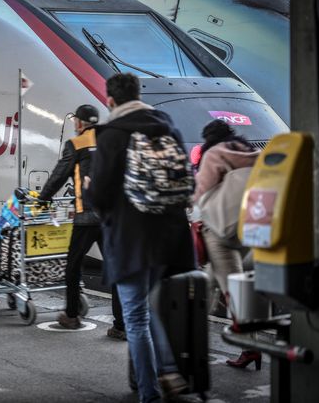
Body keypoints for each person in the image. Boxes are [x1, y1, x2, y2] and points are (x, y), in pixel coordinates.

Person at [89, 73, 195, 402]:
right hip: (169, 238)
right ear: (139, 94)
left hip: (130, 239)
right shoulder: (166, 125)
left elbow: (100, 195)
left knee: (135, 317)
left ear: (110, 101)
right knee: (151, 310)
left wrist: (88, 190)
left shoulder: (111, 135)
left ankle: (149, 392)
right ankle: (167, 370)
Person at [38, 105, 126, 338]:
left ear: (80, 123)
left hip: (86, 216)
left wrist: (43, 199)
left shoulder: (76, 144)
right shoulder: (112, 142)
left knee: (73, 265)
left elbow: (59, 175)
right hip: (111, 217)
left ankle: (71, 315)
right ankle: (121, 325)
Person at [193, 119, 261, 370]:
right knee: (210, 282)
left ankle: (250, 346)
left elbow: (201, 191)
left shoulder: (214, 153)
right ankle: (192, 332)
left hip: (220, 232)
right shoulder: (252, 152)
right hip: (247, 229)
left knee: (233, 289)